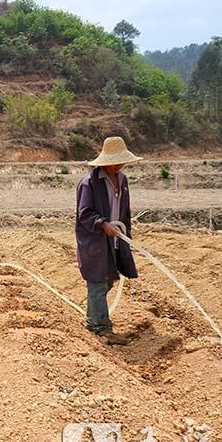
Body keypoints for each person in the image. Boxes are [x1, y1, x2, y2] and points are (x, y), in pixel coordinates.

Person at [75, 137, 140, 345]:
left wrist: (125, 234)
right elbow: (84, 214)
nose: (121, 164)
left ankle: (93, 319)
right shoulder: (89, 184)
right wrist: (103, 224)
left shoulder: (122, 180)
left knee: (109, 279)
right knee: (98, 281)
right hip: (95, 240)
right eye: (117, 161)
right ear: (106, 161)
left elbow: (125, 211)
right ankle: (101, 327)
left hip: (115, 239)